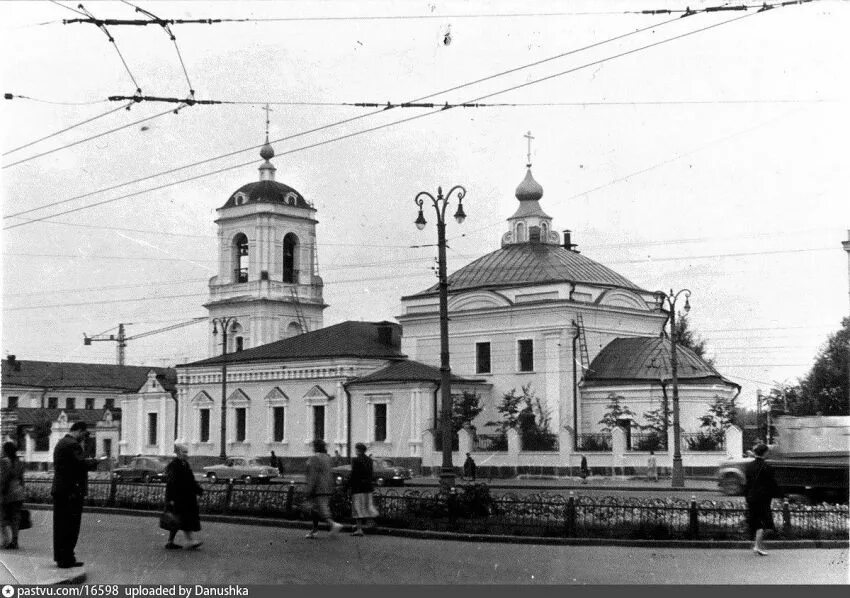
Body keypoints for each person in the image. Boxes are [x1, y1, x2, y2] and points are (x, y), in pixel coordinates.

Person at [51, 421, 98, 568]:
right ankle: (67, 558)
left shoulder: (61, 443)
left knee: (60, 525)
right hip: (71, 491)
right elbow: (81, 464)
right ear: (79, 430)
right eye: (84, 434)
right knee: (70, 526)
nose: (84, 438)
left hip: (61, 490)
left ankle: (62, 557)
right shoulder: (72, 445)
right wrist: (96, 461)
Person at [164, 443, 203, 550]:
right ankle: (177, 541)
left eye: (187, 452)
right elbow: (171, 483)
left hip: (186, 497)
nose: (186, 454)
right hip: (178, 498)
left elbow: (191, 480)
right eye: (184, 452)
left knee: (184, 519)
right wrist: (170, 499)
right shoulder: (174, 465)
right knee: (177, 520)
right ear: (178, 453)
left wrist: (198, 490)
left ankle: (187, 541)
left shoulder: (185, 464)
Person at [744, 443, 781, 556]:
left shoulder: (749, 467)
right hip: (763, 499)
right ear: (765, 453)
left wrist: (747, 496)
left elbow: (747, 484)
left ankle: (757, 545)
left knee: (755, 521)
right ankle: (757, 546)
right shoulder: (767, 468)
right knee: (763, 522)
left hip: (751, 498)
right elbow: (772, 484)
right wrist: (779, 494)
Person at [304, 439, 343, 538]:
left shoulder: (314, 458)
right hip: (327, 487)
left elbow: (313, 475)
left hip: (318, 488)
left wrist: (309, 489)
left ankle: (333, 525)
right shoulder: (328, 458)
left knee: (320, 509)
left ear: (315, 447)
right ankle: (314, 530)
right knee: (317, 509)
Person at [349, 443, 379, 537]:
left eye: (356, 449)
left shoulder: (356, 460)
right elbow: (371, 474)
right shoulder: (369, 460)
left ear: (358, 450)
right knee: (367, 506)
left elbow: (354, 474)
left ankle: (359, 529)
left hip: (358, 487)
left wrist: (348, 486)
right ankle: (371, 521)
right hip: (368, 487)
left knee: (358, 509)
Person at [1, 441, 25, 549]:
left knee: (4, 517)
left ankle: (6, 540)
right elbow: (22, 479)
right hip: (19, 492)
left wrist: (2, 492)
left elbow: (4, 479)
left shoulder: (5, 461)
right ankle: (14, 541)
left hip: (9, 493)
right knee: (15, 518)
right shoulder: (19, 462)